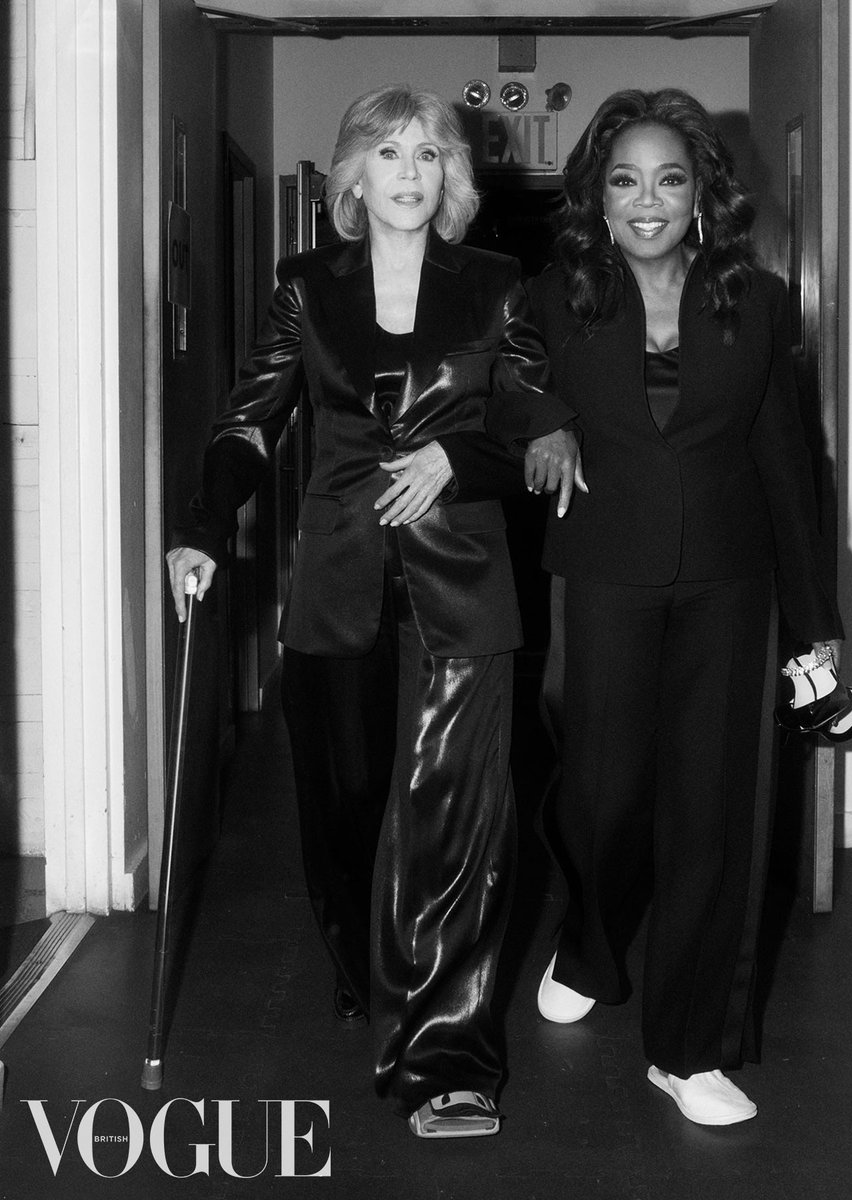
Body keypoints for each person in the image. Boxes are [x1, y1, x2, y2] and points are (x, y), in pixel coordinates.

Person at [166, 85, 577, 1139]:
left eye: (429, 154)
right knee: (344, 811)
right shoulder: (307, 288)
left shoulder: (494, 285)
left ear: (452, 178)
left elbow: (535, 419)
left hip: (464, 585)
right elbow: (250, 422)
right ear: (351, 175)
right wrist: (204, 527)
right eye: (387, 152)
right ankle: (365, 959)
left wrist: (463, 452)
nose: (408, 170)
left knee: (457, 823)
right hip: (339, 579)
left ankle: (450, 1059)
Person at [525, 88, 844, 1126]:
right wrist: (544, 423)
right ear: (597, 200)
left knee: (712, 812)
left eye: (670, 177)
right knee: (602, 799)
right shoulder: (555, 296)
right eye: (625, 180)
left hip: (728, 578)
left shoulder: (754, 299)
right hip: (605, 570)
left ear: (704, 193)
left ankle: (689, 1046)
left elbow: (785, 463)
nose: (647, 200)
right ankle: (592, 937)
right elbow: (502, 383)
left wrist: (816, 622)